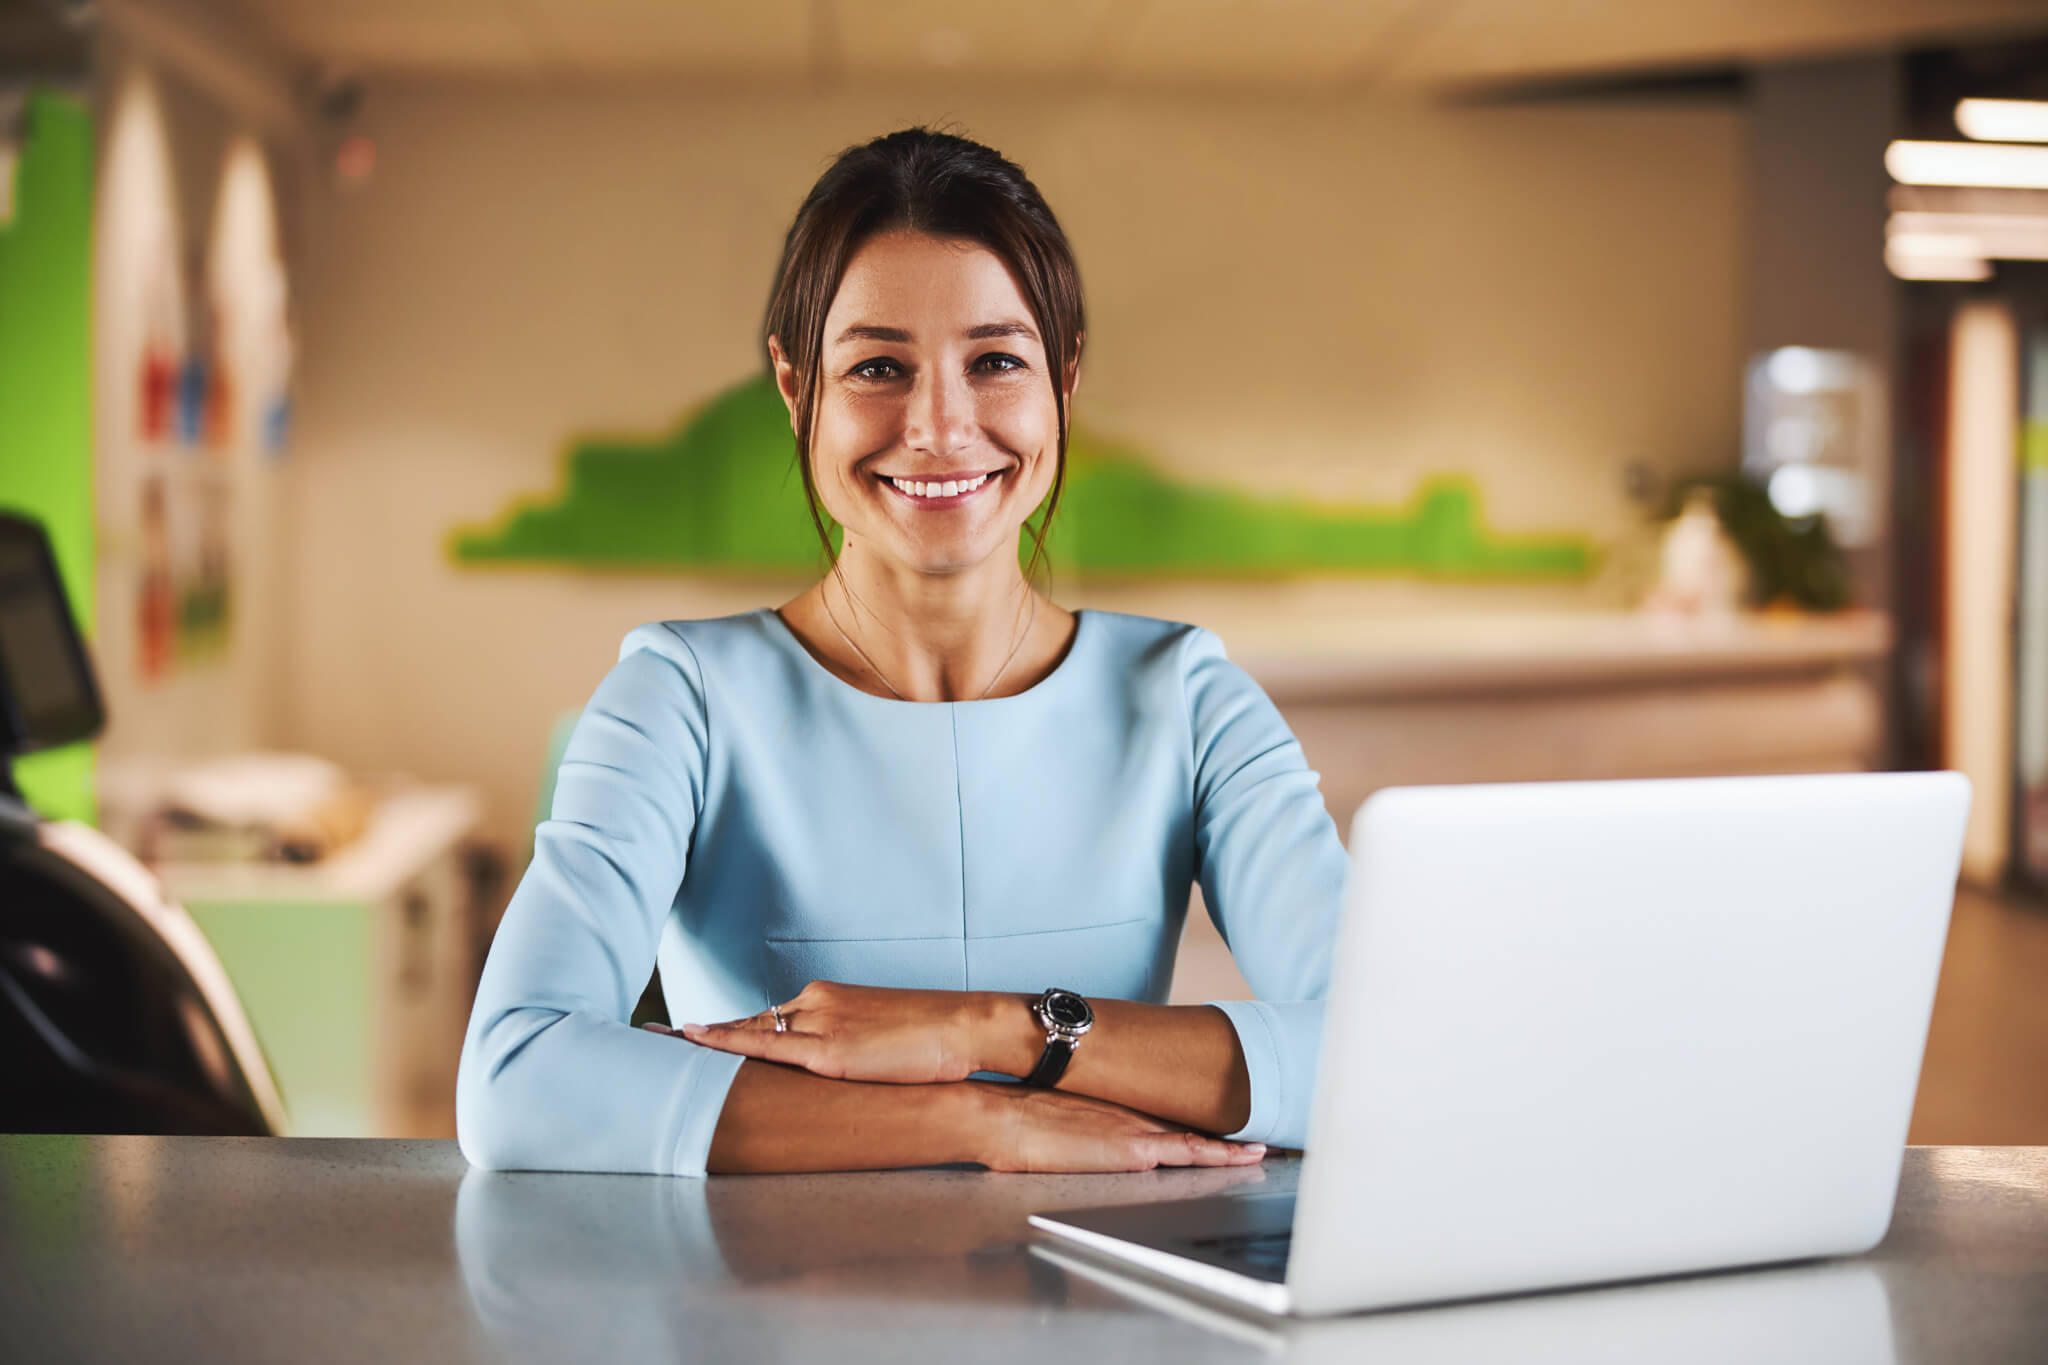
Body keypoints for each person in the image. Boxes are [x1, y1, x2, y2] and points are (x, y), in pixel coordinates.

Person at [456, 127, 1348, 1177]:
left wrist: (989, 1032)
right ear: (796, 390)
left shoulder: (1191, 700)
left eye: (995, 362)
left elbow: (1387, 1052)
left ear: (1063, 382)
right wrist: (978, 1122)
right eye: (878, 366)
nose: (937, 425)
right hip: (765, 1318)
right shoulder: (677, 698)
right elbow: (518, 1076)